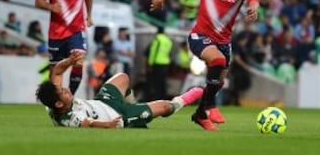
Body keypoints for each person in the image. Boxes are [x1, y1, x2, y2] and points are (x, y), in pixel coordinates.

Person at [150, 0, 260, 131]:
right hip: (200, 36)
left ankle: (200, 114)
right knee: (216, 62)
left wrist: (253, 8)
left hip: (224, 41)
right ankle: (210, 106)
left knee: (218, 81)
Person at [36, 51, 203, 128]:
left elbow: (57, 71)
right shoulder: (69, 119)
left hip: (103, 101)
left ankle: (135, 107)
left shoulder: (52, 103)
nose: (67, 90)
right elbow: (88, 123)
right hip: (119, 116)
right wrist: (107, 124)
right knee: (165, 107)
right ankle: (183, 100)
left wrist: (70, 60)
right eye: (63, 92)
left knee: (122, 76)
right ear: (58, 104)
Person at [35, 0, 93, 95]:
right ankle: (53, 100)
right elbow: (38, 1)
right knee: (55, 68)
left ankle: (70, 98)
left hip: (76, 29)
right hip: (56, 32)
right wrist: (50, 6)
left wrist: (89, 15)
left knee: (79, 60)